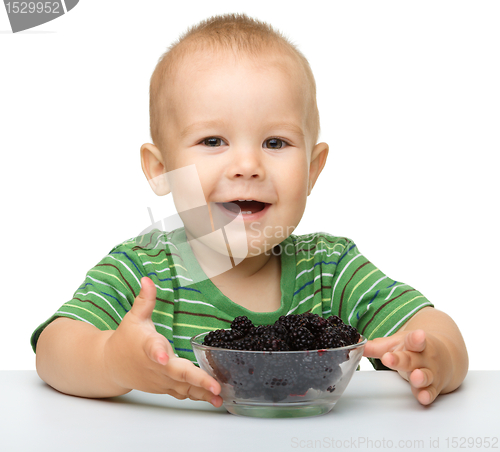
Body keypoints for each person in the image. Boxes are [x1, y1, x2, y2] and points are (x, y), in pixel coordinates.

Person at [32, 13, 468, 408]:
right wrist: (113, 362)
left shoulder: (331, 269)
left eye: (275, 143)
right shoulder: (141, 270)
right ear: (161, 170)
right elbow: (55, 349)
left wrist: (434, 354)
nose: (246, 166)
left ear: (313, 169)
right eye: (213, 141)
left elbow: (433, 327)